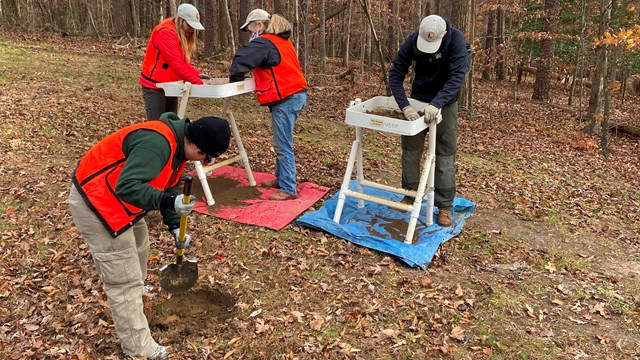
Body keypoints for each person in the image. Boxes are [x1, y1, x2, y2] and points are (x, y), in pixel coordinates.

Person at [68, 113, 231, 359]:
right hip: (98, 202)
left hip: (121, 202)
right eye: (205, 157)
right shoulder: (157, 144)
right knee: (123, 282)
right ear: (196, 145)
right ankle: (140, 350)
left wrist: (175, 225)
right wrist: (168, 201)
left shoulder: (178, 146)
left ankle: (137, 290)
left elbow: (166, 185)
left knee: (141, 243)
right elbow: (128, 186)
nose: (204, 162)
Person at [388, 15, 469, 227]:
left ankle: (444, 206)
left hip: (446, 102)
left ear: (443, 35)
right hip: (418, 99)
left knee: (444, 152)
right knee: (410, 149)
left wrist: (438, 103)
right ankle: (409, 194)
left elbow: (458, 76)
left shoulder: (456, 41)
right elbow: (395, 73)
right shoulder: (413, 40)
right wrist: (405, 106)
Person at [229, 10, 308, 201]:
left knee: (282, 144)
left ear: (259, 26)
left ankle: (289, 188)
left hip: (287, 98)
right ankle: (281, 179)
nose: (250, 35)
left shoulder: (264, 42)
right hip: (296, 94)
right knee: (283, 140)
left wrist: (235, 78)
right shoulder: (281, 41)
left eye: (250, 30)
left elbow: (241, 59)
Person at [139, 3, 209, 120]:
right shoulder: (166, 33)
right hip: (155, 86)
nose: (191, 30)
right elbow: (177, 66)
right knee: (157, 126)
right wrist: (200, 84)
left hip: (170, 85)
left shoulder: (179, 33)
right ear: (181, 21)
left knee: (171, 124)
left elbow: (183, 62)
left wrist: (198, 75)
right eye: (189, 26)